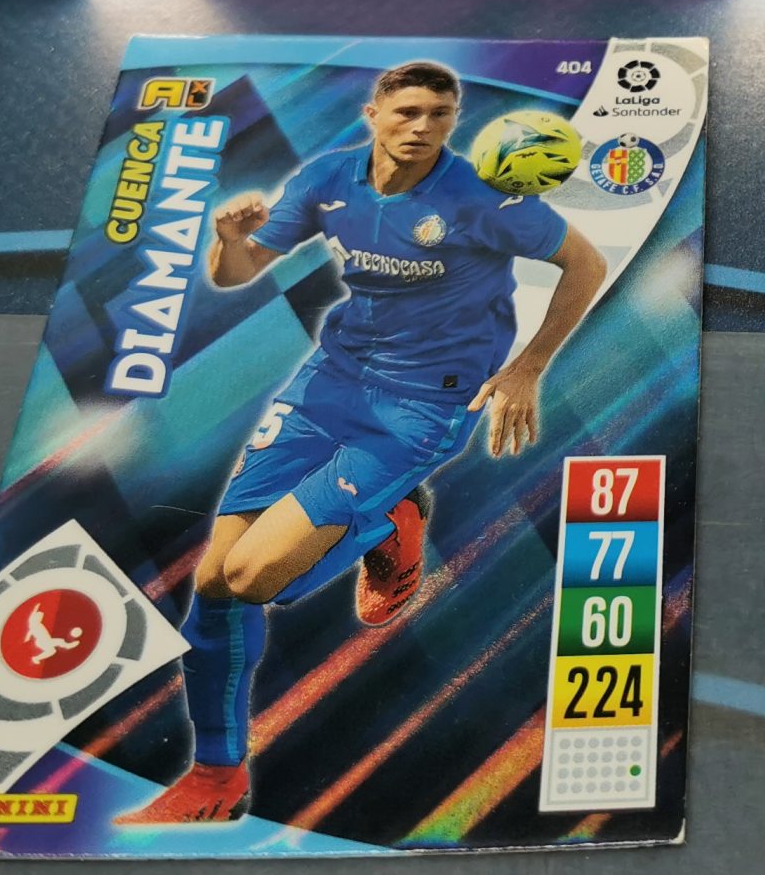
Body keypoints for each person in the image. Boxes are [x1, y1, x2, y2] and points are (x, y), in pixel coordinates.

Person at [119, 60, 606, 824]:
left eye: (440, 114)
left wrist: (528, 367)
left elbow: (585, 263)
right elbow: (239, 271)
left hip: (422, 406)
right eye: (408, 111)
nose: (423, 126)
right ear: (372, 113)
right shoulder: (329, 177)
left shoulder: (483, 199)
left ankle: (388, 521)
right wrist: (228, 240)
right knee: (212, 586)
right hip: (327, 384)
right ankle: (216, 776)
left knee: (254, 578)